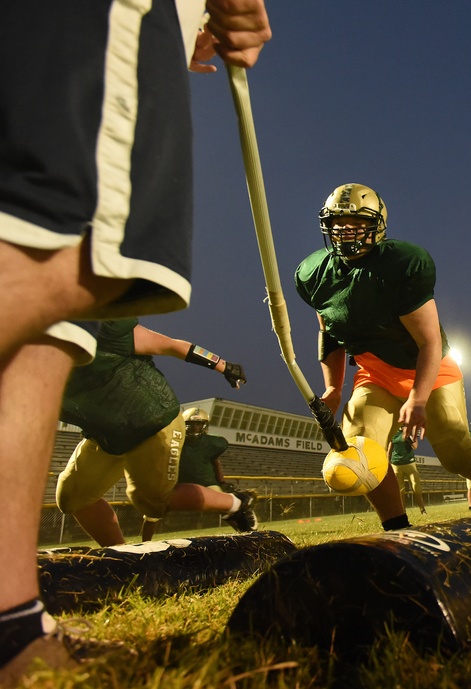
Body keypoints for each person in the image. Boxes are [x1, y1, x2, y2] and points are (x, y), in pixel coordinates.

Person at [0, 2, 270, 681]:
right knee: (69, 248)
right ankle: (122, 559)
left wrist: (218, 362)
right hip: (106, 432)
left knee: (49, 310)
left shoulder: (116, 334)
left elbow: (170, 345)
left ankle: (8, 624)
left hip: (148, 424)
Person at [294, 183, 471, 534]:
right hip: (375, 373)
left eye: (356, 222)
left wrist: (418, 397)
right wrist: (333, 388)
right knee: (361, 452)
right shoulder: (313, 273)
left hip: (430, 369)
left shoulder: (401, 264)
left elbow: (430, 343)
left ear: (377, 224)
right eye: (338, 222)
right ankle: (397, 528)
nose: (345, 230)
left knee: (455, 455)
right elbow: (329, 332)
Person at [56, 318, 256, 548]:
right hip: (106, 435)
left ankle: (236, 504)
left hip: (152, 420)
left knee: (151, 501)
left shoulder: (98, 325)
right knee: (73, 497)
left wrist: (223, 365)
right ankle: (122, 554)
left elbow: (171, 345)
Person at [142, 406, 233, 541]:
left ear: (204, 425)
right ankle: (145, 544)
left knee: (227, 504)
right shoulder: (174, 440)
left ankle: (247, 533)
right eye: (190, 424)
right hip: (175, 481)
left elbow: (215, 461)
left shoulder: (211, 443)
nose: (194, 427)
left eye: (198, 424)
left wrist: (222, 482)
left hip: (205, 481)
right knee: (152, 512)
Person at [389, 428, 426, 515]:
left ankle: (422, 510)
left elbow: (415, 446)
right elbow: (389, 449)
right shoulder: (393, 431)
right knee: (400, 491)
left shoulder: (411, 431)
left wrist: (408, 437)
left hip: (409, 463)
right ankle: (402, 512)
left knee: (416, 487)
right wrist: (387, 462)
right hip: (396, 464)